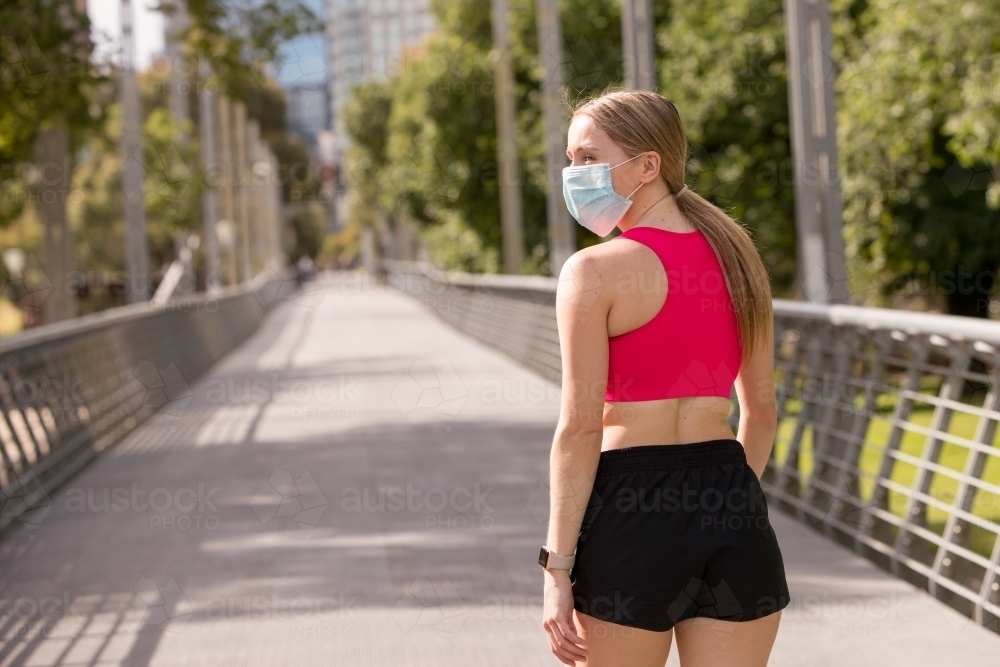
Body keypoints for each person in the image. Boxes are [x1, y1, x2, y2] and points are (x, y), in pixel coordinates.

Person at [539, 90, 789, 667]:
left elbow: (579, 430)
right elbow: (762, 410)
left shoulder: (592, 272)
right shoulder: (738, 258)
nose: (573, 174)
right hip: (730, 500)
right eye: (571, 159)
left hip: (631, 512)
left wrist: (556, 567)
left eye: (586, 158)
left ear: (647, 165)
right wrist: (726, 503)